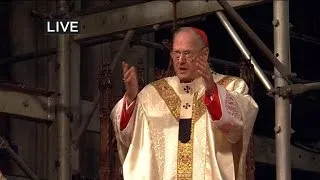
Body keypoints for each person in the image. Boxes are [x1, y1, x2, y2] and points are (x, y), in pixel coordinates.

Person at [110, 27, 259, 180]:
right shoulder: (152, 94)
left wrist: (213, 92)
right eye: (176, 53)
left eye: (187, 54)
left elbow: (238, 127)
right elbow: (128, 137)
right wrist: (130, 99)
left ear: (205, 54)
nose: (180, 60)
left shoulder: (231, 86)